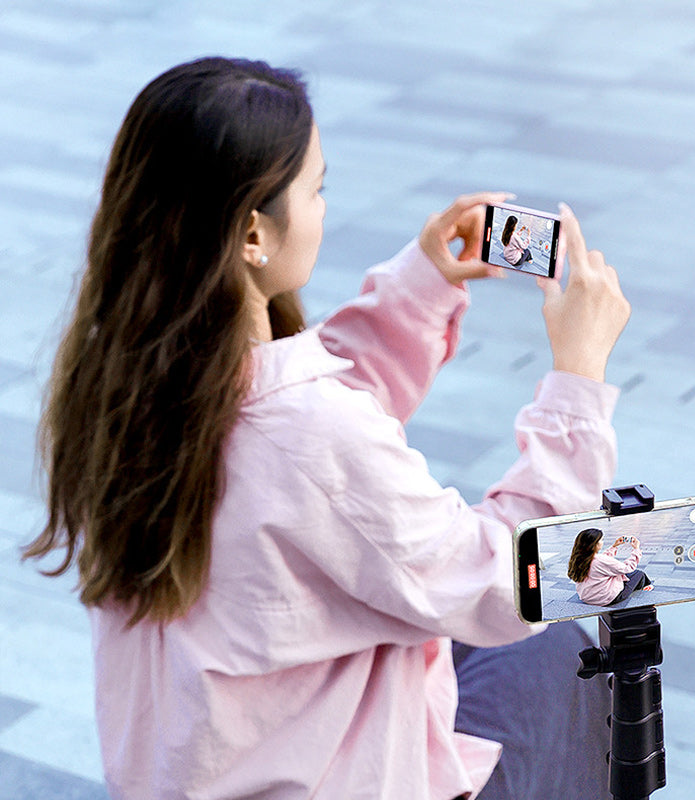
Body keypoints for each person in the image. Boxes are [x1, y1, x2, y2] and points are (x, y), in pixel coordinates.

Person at [23, 56, 630, 800]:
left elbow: (303, 430)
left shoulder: (119, 385)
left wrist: (422, 284)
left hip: (192, 771)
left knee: (496, 634)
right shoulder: (306, 432)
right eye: (317, 188)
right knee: (575, 639)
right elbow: (526, 579)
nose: (322, 208)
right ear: (253, 235)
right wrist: (579, 376)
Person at [568, 529, 653, 607]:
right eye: (601, 540)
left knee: (624, 575)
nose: (602, 542)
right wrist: (636, 549)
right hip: (606, 599)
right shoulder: (600, 560)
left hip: (586, 597)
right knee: (639, 574)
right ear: (594, 544)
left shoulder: (579, 558)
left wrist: (614, 546)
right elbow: (627, 567)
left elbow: (603, 562)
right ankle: (644, 588)